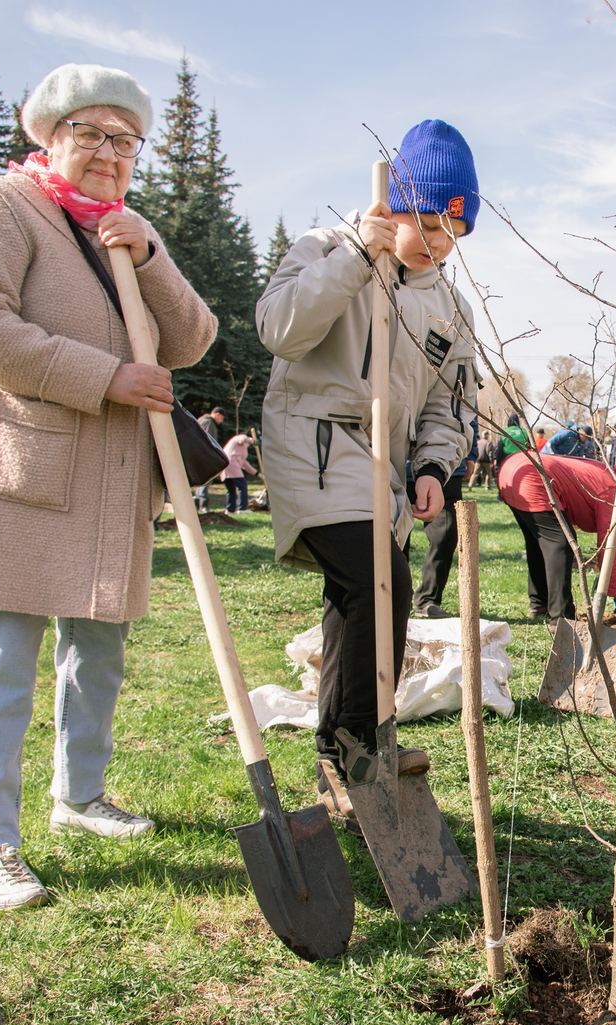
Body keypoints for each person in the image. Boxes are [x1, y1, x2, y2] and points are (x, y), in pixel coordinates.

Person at [0, 63, 217, 910]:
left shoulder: (125, 230)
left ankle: (80, 797)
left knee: (97, 656)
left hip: (111, 483)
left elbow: (193, 339)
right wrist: (106, 377)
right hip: (25, 470)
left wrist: (150, 251)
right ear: (49, 136)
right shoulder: (0, 205)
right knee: (0, 659)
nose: (107, 152)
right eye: (88, 132)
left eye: (124, 140)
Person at [257, 119, 477, 801]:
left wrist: (434, 469)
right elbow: (280, 329)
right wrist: (357, 255)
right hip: (316, 443)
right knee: (376, 575)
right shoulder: (326, 248)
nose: (439, 244)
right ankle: (361, 743)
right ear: (396, 205)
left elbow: (449, 405)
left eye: (453, 234)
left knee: (355, 595)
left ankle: (336, 753)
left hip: (387, 466)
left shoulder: (450, 307)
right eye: (428, 225)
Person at [498, 451, 616, 621]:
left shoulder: (607, 473)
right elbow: (609, 547)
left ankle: (540, 604)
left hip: (512, 468)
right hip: (531, 476)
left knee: (538, 542)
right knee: (560, 544)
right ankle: (562, 617)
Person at [413, 417, 478, 619]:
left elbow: (468, 416)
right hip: (395, 465)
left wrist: (471, 453)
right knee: (392, 537)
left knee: (446, 533)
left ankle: (428, 600)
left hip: (446, 469)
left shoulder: (460, 384)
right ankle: (388, 598)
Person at [196, 406, 226, 511]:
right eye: (221, 418)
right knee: (206, 478)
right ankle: (203, 506)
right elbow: (208, 441)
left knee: (202, 480)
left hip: (199, 455)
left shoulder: (202, 420)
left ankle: (198, 506)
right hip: (204, 456)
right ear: (217, 414)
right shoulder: (209, 422)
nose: (221, 421)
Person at [221, 432, 257, 512]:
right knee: (242, 486)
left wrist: (257, 473)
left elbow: (245, 464)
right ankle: (242, 508)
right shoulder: (239, 439)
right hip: (232, 466)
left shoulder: (238, 450)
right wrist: (252, 440)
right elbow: (241, 439)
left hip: (225, 466)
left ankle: (230, 509)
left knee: (231, 489)